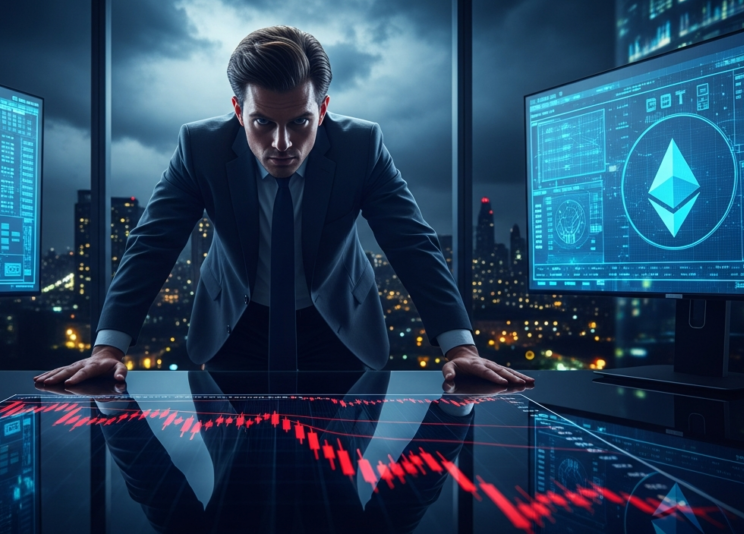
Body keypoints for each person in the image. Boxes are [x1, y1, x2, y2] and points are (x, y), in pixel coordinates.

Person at [36, 26, 532, 387]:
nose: (281, 145)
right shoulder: (200, 147)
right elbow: (152, 244)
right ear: (237, 110)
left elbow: (412, 243)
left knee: (336, 482)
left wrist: (459, 345)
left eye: (300, 123)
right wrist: (108, 347)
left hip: (338, 327)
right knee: (236, 485)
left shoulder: (361, 146)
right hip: (235, 324)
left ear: (323, 108)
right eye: (261, 124)